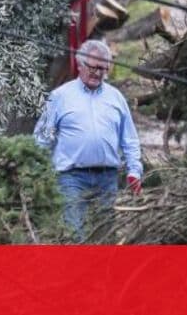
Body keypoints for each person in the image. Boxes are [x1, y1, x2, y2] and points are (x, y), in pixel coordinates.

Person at [34, 39, 143, 241]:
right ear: (80, 65)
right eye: (92, 67)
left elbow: (130, 139)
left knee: (106, 237)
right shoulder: (60, 96)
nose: (97, 72)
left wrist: (134, 171)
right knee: (75, 235)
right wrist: (34, 174)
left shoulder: (116, 98)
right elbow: (42, 138)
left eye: (102, 68)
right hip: (71, 178)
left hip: (107, 178)